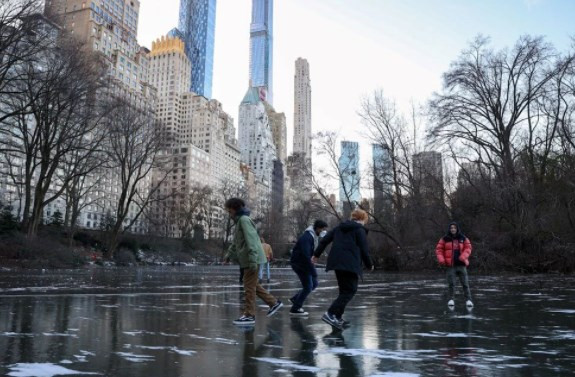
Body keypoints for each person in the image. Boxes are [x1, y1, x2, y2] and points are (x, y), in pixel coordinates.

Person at [225, 198, 283, 325]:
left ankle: (249, 315)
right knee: (252, 285)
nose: (229, 213)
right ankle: (274, 303)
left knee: (249, 287)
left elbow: (251, 241)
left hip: (252, 259)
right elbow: (236, 242)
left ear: (234, 209)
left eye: (229, 210)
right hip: (251, 259)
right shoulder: (240, 221)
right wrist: (229, 255)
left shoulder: (244, 220)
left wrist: (252, 259)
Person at [313, 209, 373, 330]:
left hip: (337, 262)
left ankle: (338, 317)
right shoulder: (359, 229)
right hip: (350, 263)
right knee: (350, 290)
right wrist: (369, 264)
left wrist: (316, 255)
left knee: (344, 291)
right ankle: (330, 313)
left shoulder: (339, 228)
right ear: (363, 219)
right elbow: (364, 249)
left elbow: (325, 240)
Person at [289, 220, 329, 316]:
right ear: (318, 228)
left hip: (303, 264)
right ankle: (295, 308)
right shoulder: (307, 238)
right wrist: (312, 270)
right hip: (300, 264)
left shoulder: (312, 237)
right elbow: (305, 255)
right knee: (308, 287)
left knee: (314, 284)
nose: (323, 231)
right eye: (323, 229)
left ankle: (295, 299)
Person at [435, 222, 474, 308]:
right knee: (451, 284)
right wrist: (441, 260)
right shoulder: (444, 239)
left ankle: (468, 300)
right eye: (451, 228)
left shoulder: (463, 238)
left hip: (461, 265)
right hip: (450, 265)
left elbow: (468, 248)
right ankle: (451, 299)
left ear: (457, 229)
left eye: (454, 228)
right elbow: (439, 250)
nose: (453, 229)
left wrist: (463, 257)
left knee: (465, 284)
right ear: (449, 229)